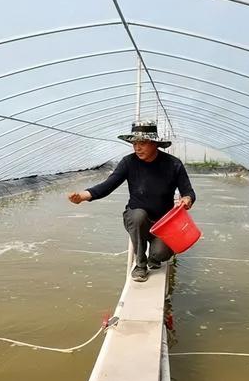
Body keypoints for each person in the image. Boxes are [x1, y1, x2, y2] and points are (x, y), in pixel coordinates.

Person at [68, 120, 196, 282]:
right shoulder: (129, 162)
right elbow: (107, 186)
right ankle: (140, 264)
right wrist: (82, 197)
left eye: (142, 143)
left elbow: (188, 191)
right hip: (137, 217)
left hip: (164, 223)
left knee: (162, 253)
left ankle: (153, 258)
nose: (137, 148)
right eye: (134, 143)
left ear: (155, 144)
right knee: (138, 216)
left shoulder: (173, 164)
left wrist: (187, 199)